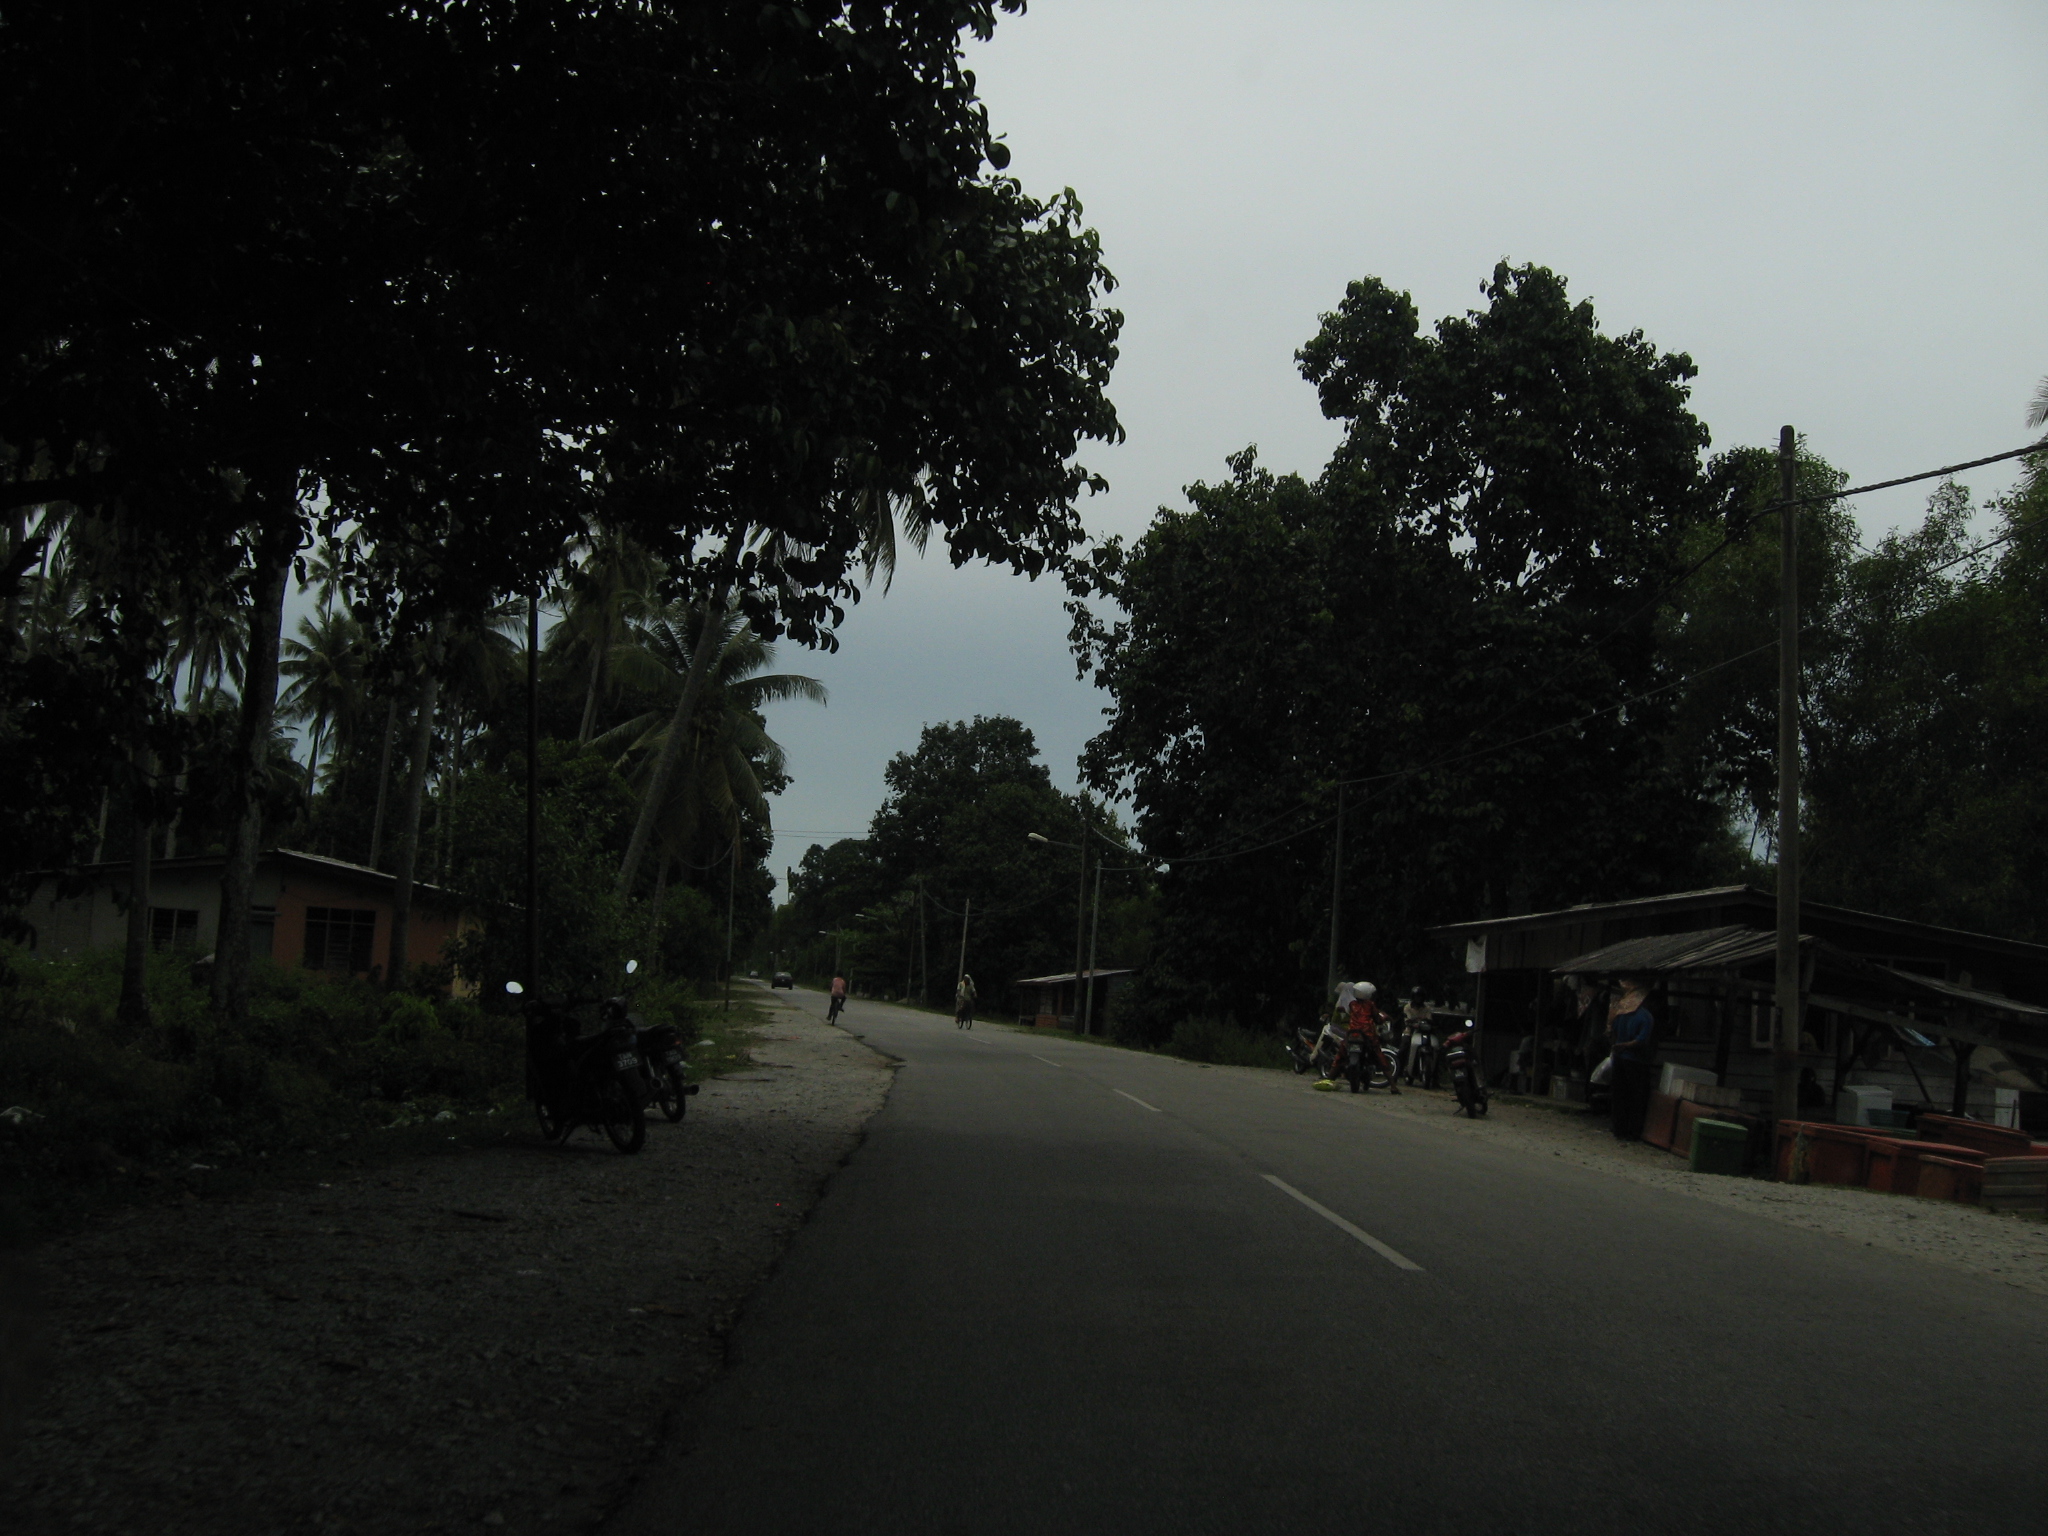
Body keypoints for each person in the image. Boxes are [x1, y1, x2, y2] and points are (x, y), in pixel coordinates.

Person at [1607, 979, 1657, 1141]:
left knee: (1619, 1094)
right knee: (1637, 1097)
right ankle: (1633, 1132)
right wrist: (1625, 1046)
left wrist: (1618, 1045)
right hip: (1636, 1061)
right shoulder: (1645, 1016)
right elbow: (1641, 1040)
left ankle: (1618, 1129)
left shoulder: (1619, 1014)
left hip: (1619, 1058)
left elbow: (1611, 1032)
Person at [1346, 982, 1398, 1094]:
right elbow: (1377, 1019)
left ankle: (1330, 1076)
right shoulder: (1370, 1005)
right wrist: (1384, 1018)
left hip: (1352, 1035)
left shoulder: (1352, 1004)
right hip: (1367, 1035)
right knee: (1380, 1057)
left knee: (1341, 1053)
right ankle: (1393, 1086)